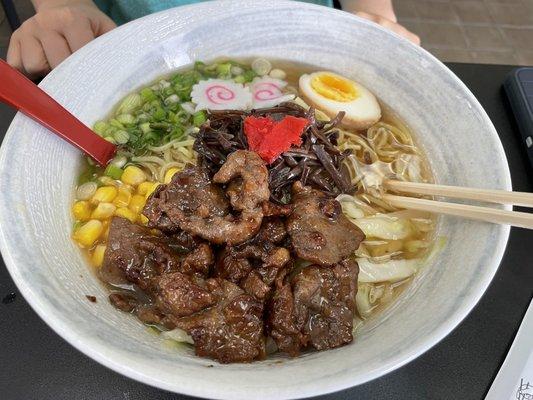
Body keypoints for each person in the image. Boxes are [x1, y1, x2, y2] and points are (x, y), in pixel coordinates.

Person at [7, 0, 420, 78]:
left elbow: (374, 9)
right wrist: (63, 9)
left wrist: (379, 21)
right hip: (132, 50)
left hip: (316, 46)